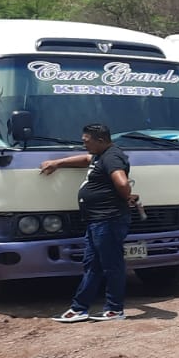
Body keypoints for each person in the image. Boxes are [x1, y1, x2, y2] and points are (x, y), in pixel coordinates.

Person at [45, 123, 138, 323]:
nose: (84, 145)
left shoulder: (112, 157)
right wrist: (58, 163)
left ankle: (115, 309)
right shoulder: (100, 155)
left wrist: (126, 196)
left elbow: (122, 182)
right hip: (97, 221)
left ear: (101, 140)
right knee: (92, 265)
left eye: (86, 141)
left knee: (112, 265)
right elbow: (87, 159)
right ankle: (79, 309)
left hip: (109, 220)